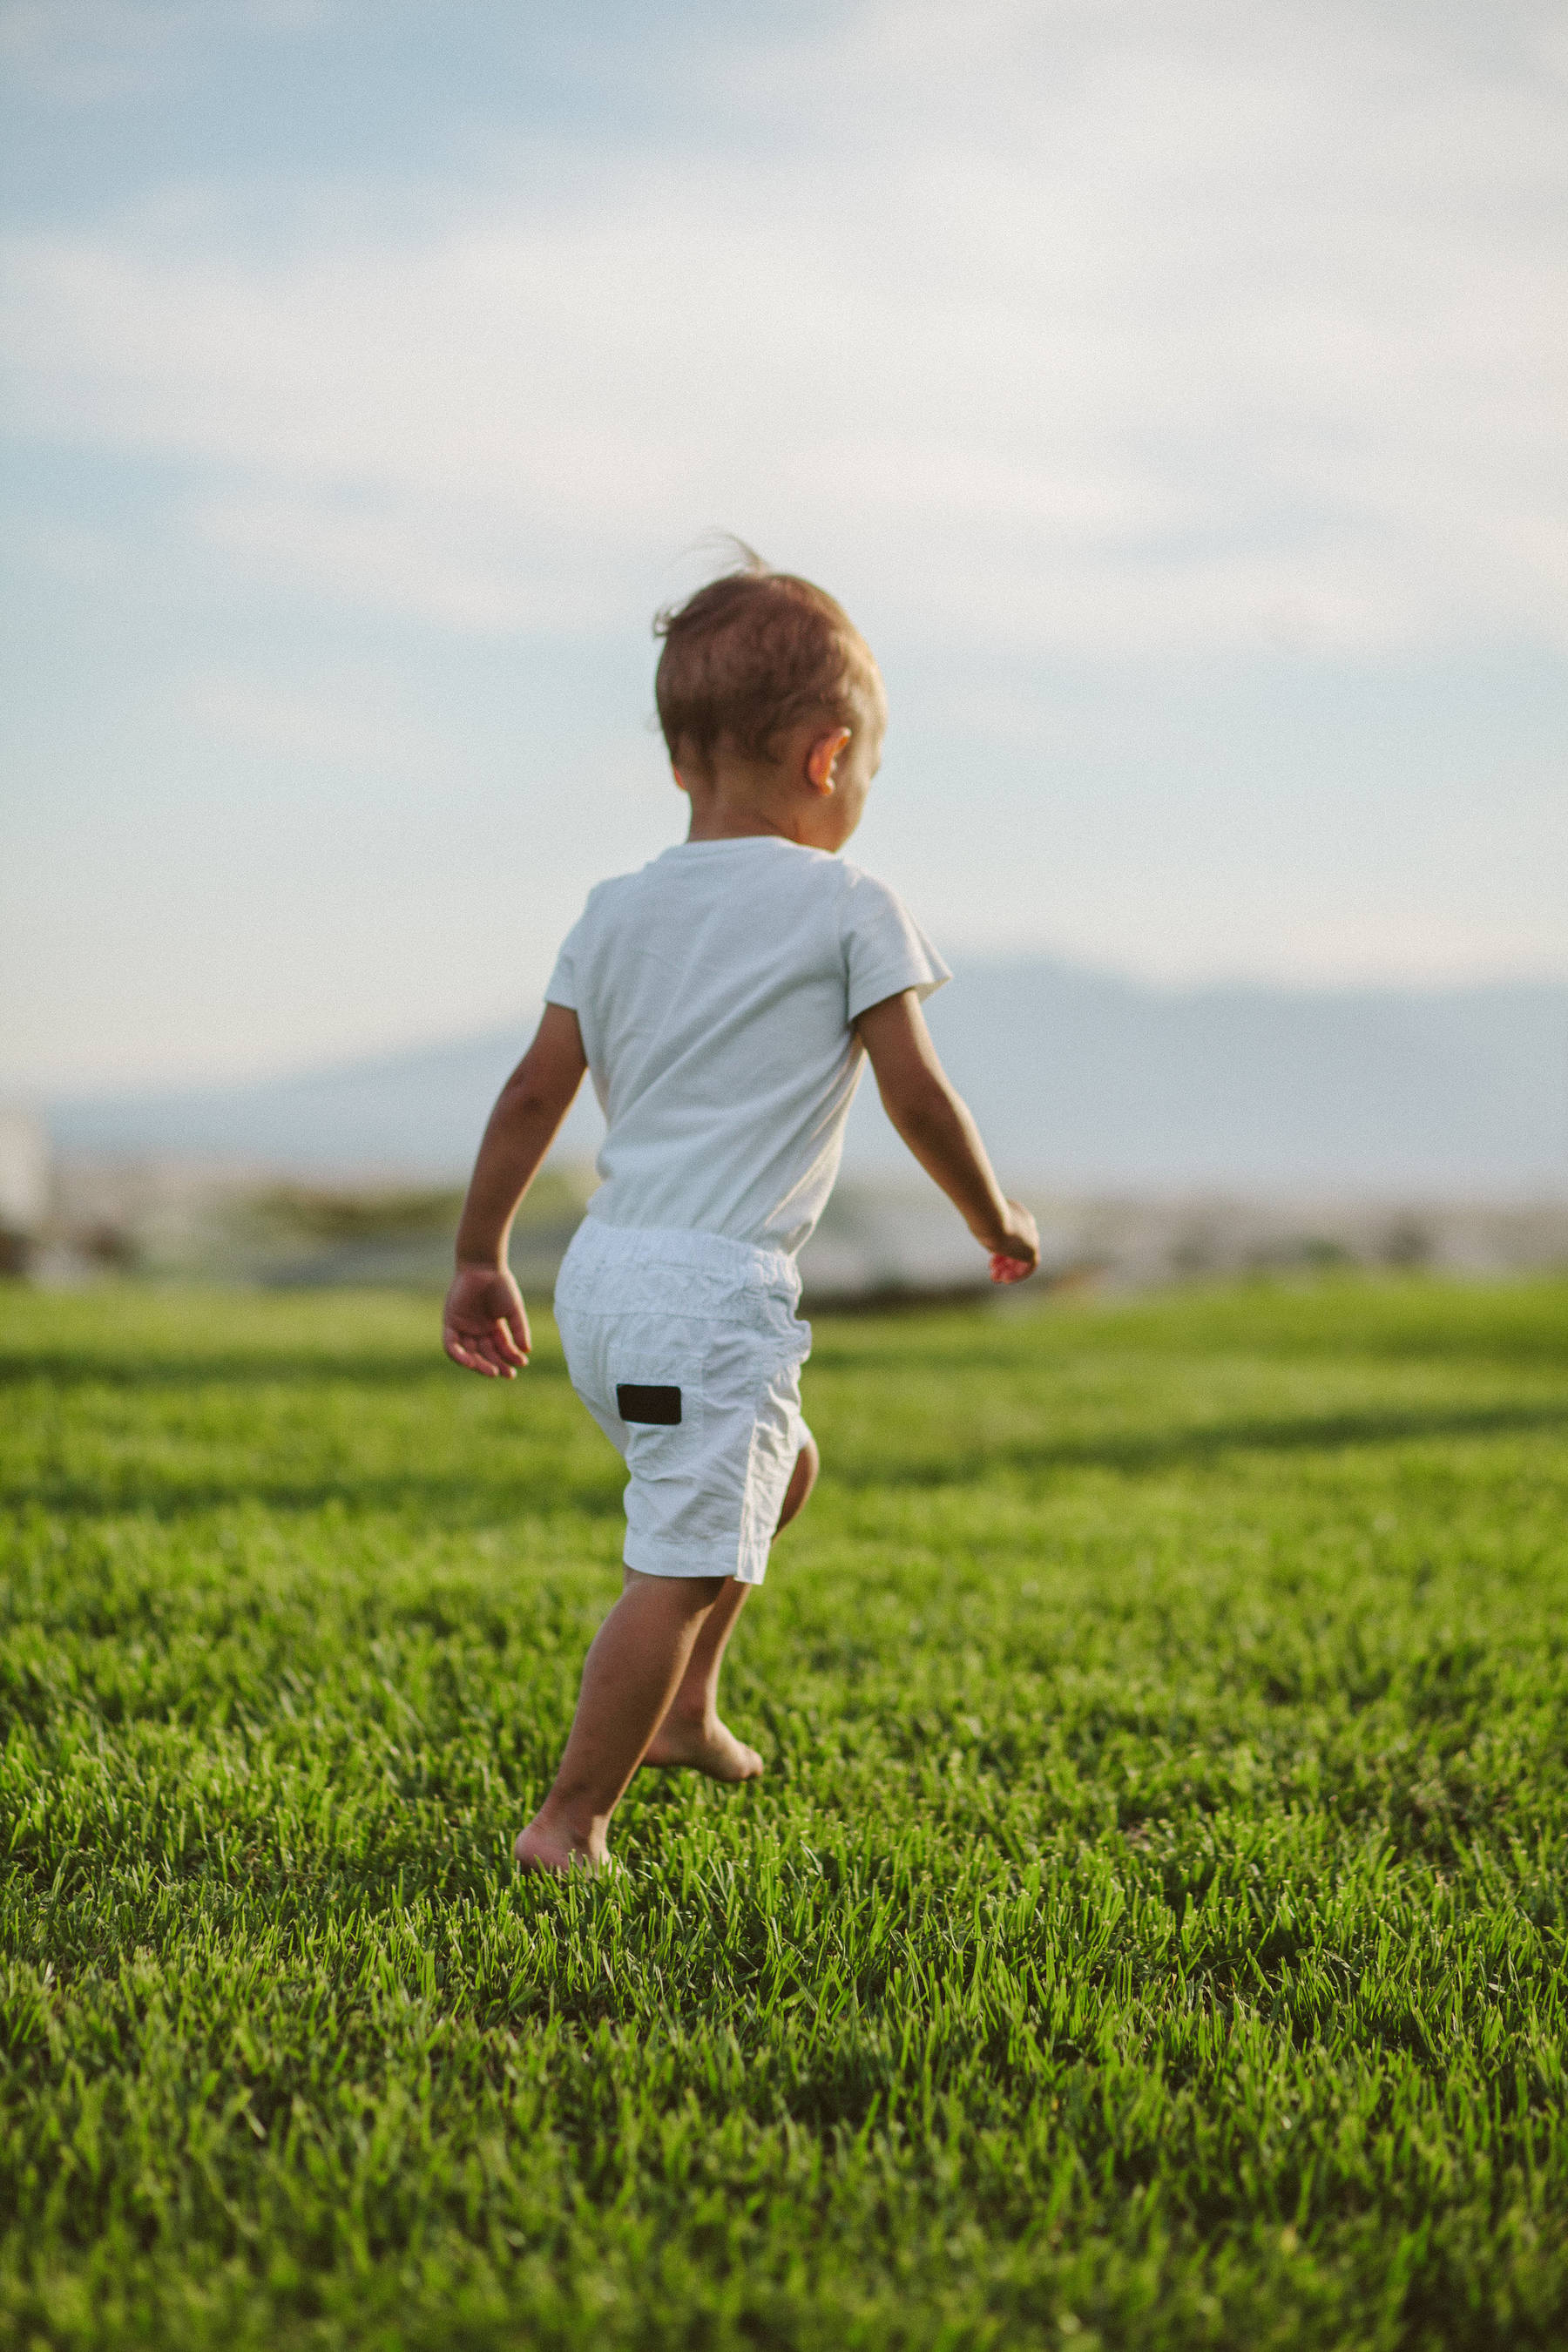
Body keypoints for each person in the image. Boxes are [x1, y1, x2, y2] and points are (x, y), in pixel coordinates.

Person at [442, 549, 1039, 1873]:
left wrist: (483, 1256)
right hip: (711, 1298)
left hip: (607, 1287)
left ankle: (690, 1713)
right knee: (683, 1560)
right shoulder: (849, 905)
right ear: (830, 759)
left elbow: (533, 1096)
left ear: (680, 763)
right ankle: (568, 1824)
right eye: (867, 775)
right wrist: (996, 1216)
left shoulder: (615, 912)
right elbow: (918, 1096)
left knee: (786, 1472)